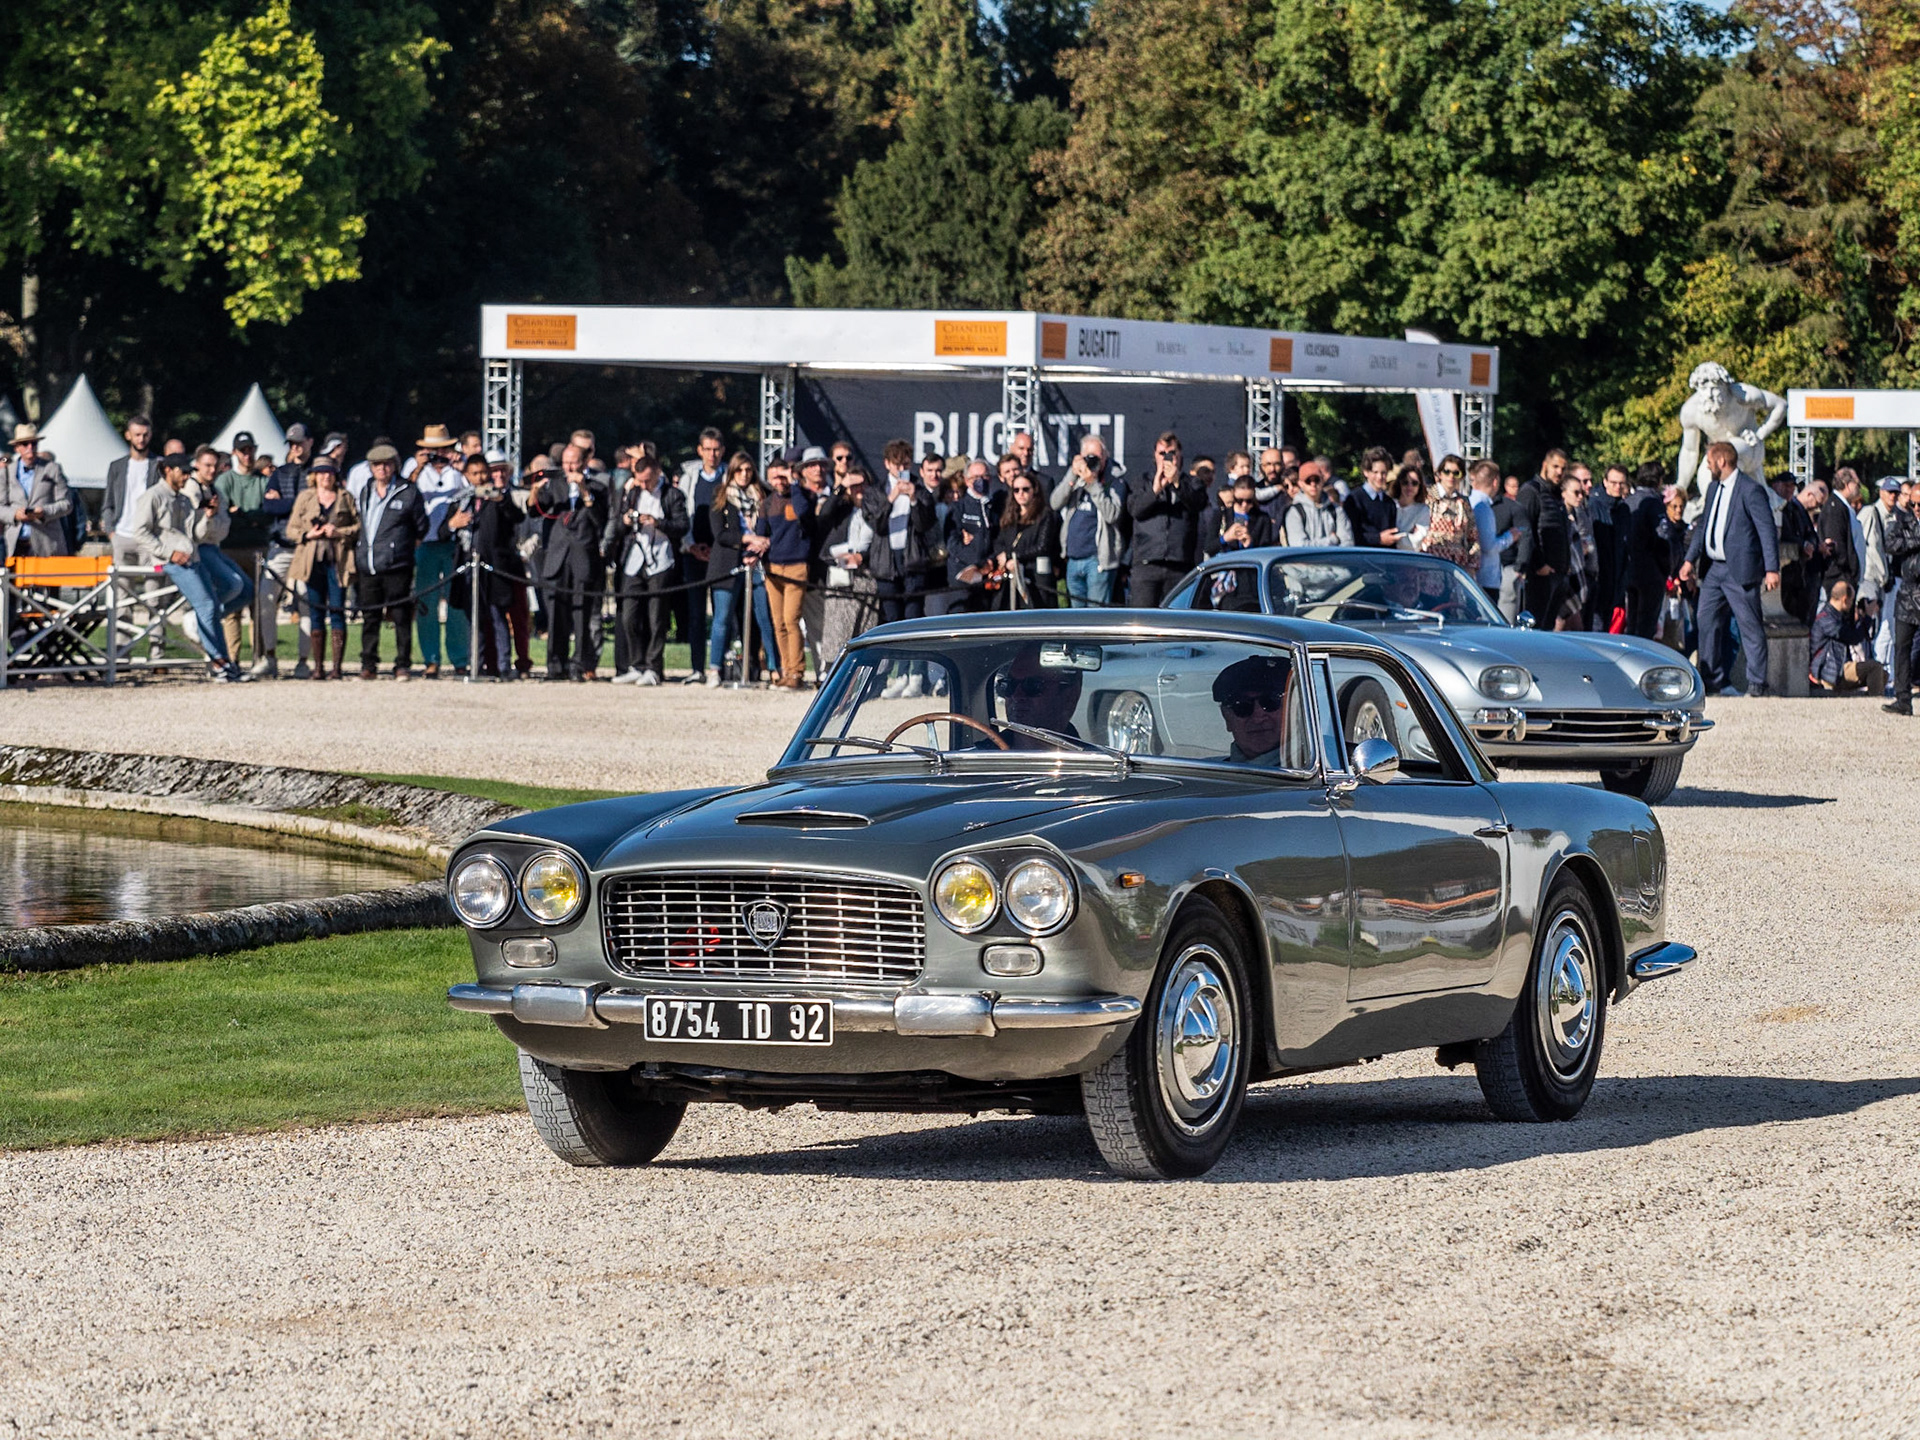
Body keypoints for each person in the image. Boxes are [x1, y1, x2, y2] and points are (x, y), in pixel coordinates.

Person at [128, 453, 247, 682]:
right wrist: (168, 553)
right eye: (182, 472)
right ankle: (217, 662)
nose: (186, 477)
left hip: (192, 558)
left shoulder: (182, 500)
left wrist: (209, 516)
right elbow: (140, 532)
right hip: (171, 561)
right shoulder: (152, 496)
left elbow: (196, 534)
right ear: (168, 470)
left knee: (211, 605)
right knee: (207, 605)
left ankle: (223, 661)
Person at [1681, 439, 1781, 697]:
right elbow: (1703, 526)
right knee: (1706, 621)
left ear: (1722, 461)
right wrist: (1689, 560)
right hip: (1713, 570)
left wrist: (1772, 568)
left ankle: (1758, 683)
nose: (1707, 465)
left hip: (1741, 570)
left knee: (1750, 626)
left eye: (1710, 461)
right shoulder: (1713, 488)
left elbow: (1766, 529)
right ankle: (1712, 680)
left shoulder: (1751, 490)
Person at [606, 448, 687, 687]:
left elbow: (682, 525)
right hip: (634, 559)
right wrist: (626, 520)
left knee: (656, 617)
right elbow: (619, 525)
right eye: (640, 480)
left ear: (657, 472)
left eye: (648, 480)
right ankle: (636, 663)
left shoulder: (672, 494)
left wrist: (658, 522)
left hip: (661, 560)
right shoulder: (631, 493)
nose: (644, 484)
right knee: (629, 615)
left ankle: (654, 667)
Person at [532, 443, 609, 681]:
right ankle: (556, 666)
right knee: (556, 614)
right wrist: (534, 491)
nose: (569, 467)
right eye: (565, 462)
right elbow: (536, 512)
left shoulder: (599, 487)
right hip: (557, 555)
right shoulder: (555, 484)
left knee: (582, 615)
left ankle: (579, 666)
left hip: (583, 556)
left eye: (573, 462)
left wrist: (585, 492)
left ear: (584, 462)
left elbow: (601, 520)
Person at [353, 442, 428, 679]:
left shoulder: (408, 492)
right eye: (377, 465)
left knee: (400, 615)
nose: (382, 469)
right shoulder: (366, 490)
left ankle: (403, 663)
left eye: (386, 464)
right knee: (370, 615)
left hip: (397, 564)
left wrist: (402, 547)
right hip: (369, 562)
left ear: (394, 466)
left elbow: (421, 527)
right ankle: (368, 662)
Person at [285, 458, 360, 680]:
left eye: (329, 472)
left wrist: (339, 532)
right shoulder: (305, 497)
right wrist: (309, 534)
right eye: (321, 473)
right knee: (315, 611)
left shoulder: (346, 497)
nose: (326, 477)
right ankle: (317, 666)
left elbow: (357, 527)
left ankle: (336, 667)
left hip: (338, 561)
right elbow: (291, 529)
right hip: (311, 561)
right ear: (314, 476)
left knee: (337, 610)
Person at [704, 453, 774, 686]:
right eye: (739, 470)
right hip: (728, 566)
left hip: (758, 565)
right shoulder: (722, 496)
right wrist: (748, 539)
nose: (744, 475)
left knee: (764, 618)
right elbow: (720, 534)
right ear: (732, 472)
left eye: (748, 470)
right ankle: (714, 669)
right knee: (722, 618)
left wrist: (761, 544)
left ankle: (774, 669)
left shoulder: (762, 496)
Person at [411, 425, 470, 678]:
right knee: (426, 605)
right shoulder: (413, 468)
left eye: (442, 449)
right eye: (432, 450)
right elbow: (404, 491)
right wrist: (418, 467)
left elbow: (473, 490)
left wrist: (461, 468)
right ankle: (431, 659)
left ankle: (459, 658)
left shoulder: (459, 470)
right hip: (424, 543)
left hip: (453, 543)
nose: (437, 454)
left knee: (457, 605)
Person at [864, 438, 938, 641]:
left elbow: (924, 525)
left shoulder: (921, 490)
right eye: (898, 465)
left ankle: (913, 668)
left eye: (906, 464)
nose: (902, 469)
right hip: (885, 560)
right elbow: (877, 526)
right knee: (891, 616)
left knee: (913, 615)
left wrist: (914, 499)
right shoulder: (875, 492)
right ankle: (893, 666)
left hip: (912, 558)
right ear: (887, 464)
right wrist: (892, 497)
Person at [753, 456, 814, 688]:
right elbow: (761, 532)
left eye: (783, 476)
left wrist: (795, 484)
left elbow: (803, 514)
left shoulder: (801, 497)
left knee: (791, 619)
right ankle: (786, 669)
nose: (780, 481)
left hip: (797, 565)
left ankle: (797, 671)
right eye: (775, 477)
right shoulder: (767, 504)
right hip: (773, 567)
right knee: (778, 621)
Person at [1126, 432, 1205, 605]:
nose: (1166, 458)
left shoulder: (1192, 483)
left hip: (1180, 564)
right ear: (1155, 455)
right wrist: (1154, 491)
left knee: (1178, 619)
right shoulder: (1142, 481)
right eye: (1162, 454)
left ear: (1179, 455)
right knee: (1143, 620)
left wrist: (1177, 483)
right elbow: (1135, 510)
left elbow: (1198, 504)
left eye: (1171, 453)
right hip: (1148, 563)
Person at [675, 428, 727, 683]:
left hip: (722, 556)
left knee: (724, 614)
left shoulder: (728, 477)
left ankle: (721, 666)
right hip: (693, 553)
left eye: (716, 449)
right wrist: (691, 546)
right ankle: (697, 668)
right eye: (707, 449)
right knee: (695, 615)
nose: (712, 454)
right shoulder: (689, 478)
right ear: (700, 451)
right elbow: (683, 514)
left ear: (722, 451)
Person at [1051, 434, 1125, 607]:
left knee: (1096, 616)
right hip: (1073, 558)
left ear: (1105, 457)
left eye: (1097, 457)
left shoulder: (1115, 481)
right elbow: (1054, 503)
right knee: (1077, 619)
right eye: (1088, 457)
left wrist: (1093, 485)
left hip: (1098, 560)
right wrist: (1072, 474)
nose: (1092, 462)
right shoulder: (1077, 479)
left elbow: (1112, 514)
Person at [816, 464, 878, 669]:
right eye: (854, 486)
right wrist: (841, 486)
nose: (858, 490)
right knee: (838, 624)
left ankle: (863, 669)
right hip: (840, 572)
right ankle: (834, 668)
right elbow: (824, 515)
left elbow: (882, 539)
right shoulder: (841, 507)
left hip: (867, 572)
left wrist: (863, 556)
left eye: (862, 485)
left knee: (865, 625)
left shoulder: (877, 508)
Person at [936, 459, 1000, 615]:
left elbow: (998, 539)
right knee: (960, 621)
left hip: (986, 578)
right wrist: (975, 562)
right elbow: (952, 542)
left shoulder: (994, 507)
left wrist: (989, 561)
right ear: (966, 480)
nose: (981, 481)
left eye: (984, 476)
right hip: (962, 577)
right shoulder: (958, 507)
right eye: (975, 477)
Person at [1517, 449, 1573, 623]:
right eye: (1555, 467)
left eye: (1563, 468)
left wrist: (1566, 563)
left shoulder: (1555, 496)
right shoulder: (1531, 491)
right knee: (1535, 626)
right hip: (1540, 574)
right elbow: (1527, 531)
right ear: (1545, 465)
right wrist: (1539, 564)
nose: (1559, 472)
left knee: (1548, 628)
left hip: (1557, 572)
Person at [1212, 653, 1296, 767]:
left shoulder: (1324, 765)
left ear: (1295, 710)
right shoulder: (1201, 775)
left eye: (1270, 702)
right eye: (1242, 705)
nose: (1258, 717)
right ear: (1227, 717)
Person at [992, 471, 1060, 610]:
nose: (1020, 494)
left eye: (1025, 489)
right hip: (1012, 576)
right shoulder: (1010, 515)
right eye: (1016, 490)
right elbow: (1000, 541)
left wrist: (1012, 556)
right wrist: (1004, 557)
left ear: (1034, 489)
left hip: (1035, 576)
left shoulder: (1045, 515)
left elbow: (1042, 546)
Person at [2, 423, 72, 557]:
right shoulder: (6, 472)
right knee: (12, 578)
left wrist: (43, 511)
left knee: (44, 578)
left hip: (46, 543)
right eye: (25, 444)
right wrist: (15, 514)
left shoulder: (52, 468)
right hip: (15, 543)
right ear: (17, 448)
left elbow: (66, 504)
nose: (30, 448)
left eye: (33, 443)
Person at [1618, 462, 1671, 640]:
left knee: (1631, 623)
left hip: (1629, 568)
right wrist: (1666, 568)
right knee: (1646, 625)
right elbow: (1662, 538)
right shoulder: (1654, 503)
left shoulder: (1628, 501)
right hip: (1650, 570)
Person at [996, 642, 1082, 748]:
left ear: (1070, 696)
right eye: (1009, 684)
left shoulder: (1097, 760)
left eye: (1032, 685)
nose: (1017, 696)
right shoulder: (978, 756)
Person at [1881, 491, 1920, 715]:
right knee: (1901, 647)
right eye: (1912, 502)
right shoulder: (1901, 520)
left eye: (1919, 503)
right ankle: (1903, 698)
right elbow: (1891, 544)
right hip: (1908, 593)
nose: (1916, 507)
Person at [1809, 581, 1885, 695]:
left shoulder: (1835, 616)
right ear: (1845, 599)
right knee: (1874, 668)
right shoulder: (1826, 620)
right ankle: (1875, 701)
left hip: (1838, 667)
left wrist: (1862, 618)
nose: (1852, 604)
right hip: (1829, 672)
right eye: (1851, 600)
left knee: (1883, 675)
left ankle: (1867, 698)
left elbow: (1856, 635)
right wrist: (1868, 617)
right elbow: (1853, 638)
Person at [101, 415, 158, 567]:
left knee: (154, 587)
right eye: (137, 435)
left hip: (149, 535)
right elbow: (108, 503)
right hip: (122, 534)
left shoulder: (158, 465)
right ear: (128, 435)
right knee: (122, 587)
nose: (141, 439)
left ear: (150, 435)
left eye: (145, 435)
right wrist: (111, 532)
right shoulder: (116, 467)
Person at [1863, 476, 1902, 679]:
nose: (1893, 496)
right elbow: (1864, 544)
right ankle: (1873, 669)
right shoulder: (1871, 512)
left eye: (1896, 493)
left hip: (1886, 578)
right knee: (1873, 625)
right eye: (1889, 492)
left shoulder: (1895, 516)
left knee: (1886, 624)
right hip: (1870, 577)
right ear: (1881, 492)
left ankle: (1882, 672)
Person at [1420, 458, 1479, 574]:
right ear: (1439, 474)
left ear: (1462, 477)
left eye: (1456, 473)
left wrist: (1472, 565)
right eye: (1447, 472)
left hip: (1456, 566)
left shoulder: (1464, 503)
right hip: (1429, 562)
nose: (1451, 476)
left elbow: (1473, 537)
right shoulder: (1427, 497)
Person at [1204, 471, 1275, 554]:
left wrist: (1250, 544)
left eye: (1249, 501)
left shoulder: (1262, 518)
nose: (1244, 505)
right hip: (1225, 563)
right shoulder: (1221, 514)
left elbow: (1266, 550)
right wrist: (1226, 538)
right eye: (1239, 500)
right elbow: (1208, 548)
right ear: (1233, 495)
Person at [1284, 462, 1352, 546]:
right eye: (1308, 481)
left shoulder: (1336, 510)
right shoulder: (1294, 512)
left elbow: (1347, 543)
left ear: (1322, 480)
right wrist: (1332, 540)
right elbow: (1299, 546)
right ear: (1300, 483)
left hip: (1335, 559)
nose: (1313, 484)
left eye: (1316, 480)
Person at [1343, 448, 1400, 548]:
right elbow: (1351, 535)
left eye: (1383, 473)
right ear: (1366, 472)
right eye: (1375, 472)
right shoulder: (1353, 500)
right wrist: (1378, 538)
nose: (1380, 477)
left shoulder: (1390, 503)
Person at [1464, 459, 1503, 602]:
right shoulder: (1483, 508)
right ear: (1495, 482)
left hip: (1475, 577)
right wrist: (1511, 536)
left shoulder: (1470, 502)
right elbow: (1488, 546)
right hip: (1485, 579)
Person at [1391, 464, 1430, 550]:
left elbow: (1416, 542)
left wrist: (1392, 538)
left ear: (1419, 486)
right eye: (1405, 482)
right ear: (1399, 484)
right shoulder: (1389, 505)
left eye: (1414, 483)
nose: (1409, 487)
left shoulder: (1422, 510)